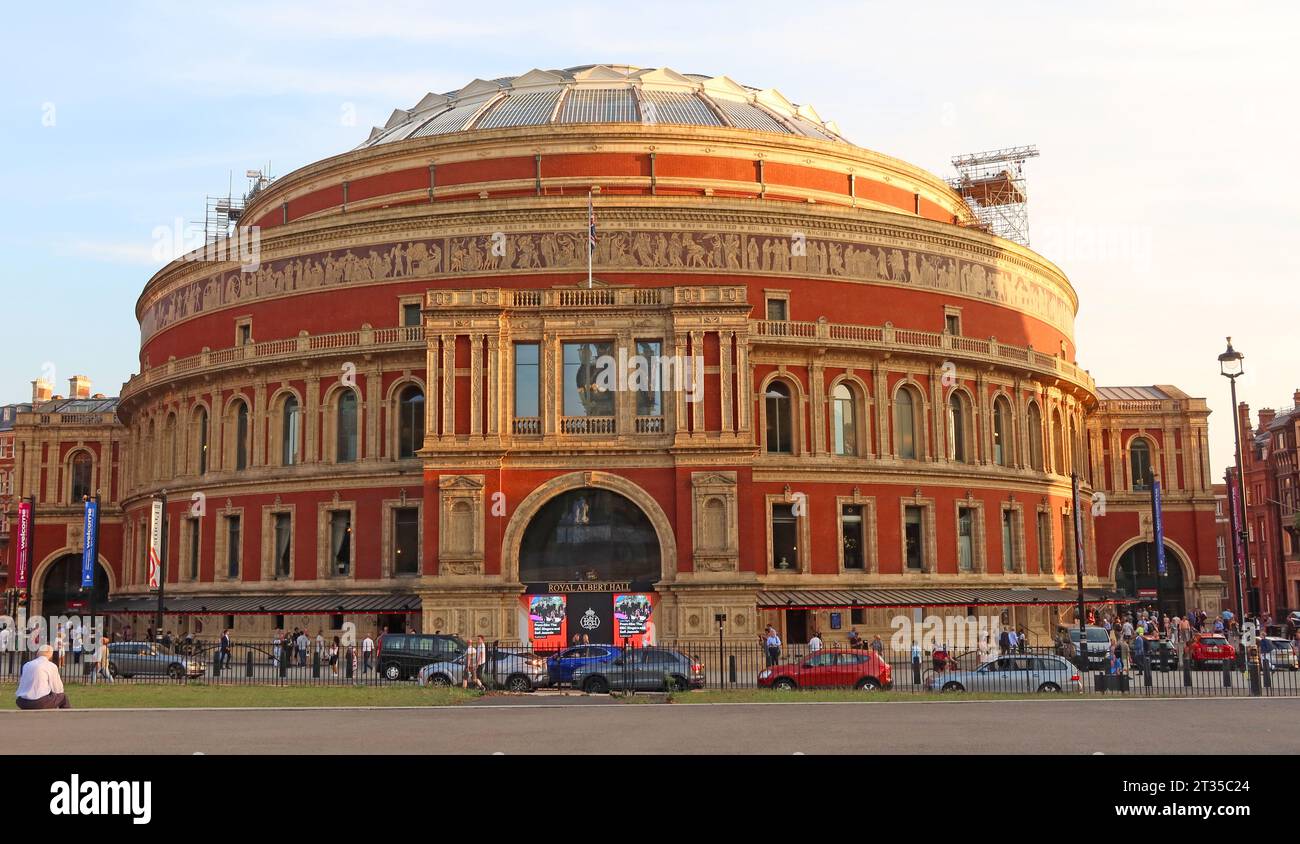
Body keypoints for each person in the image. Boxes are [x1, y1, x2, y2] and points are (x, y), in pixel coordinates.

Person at [15, 645, 71, 710]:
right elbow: (58, 689)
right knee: (63, 697)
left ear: (38, 653)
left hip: (22, 701)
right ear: (51, 655)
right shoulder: (51, 666)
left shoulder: (27, 665)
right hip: (39, 702)